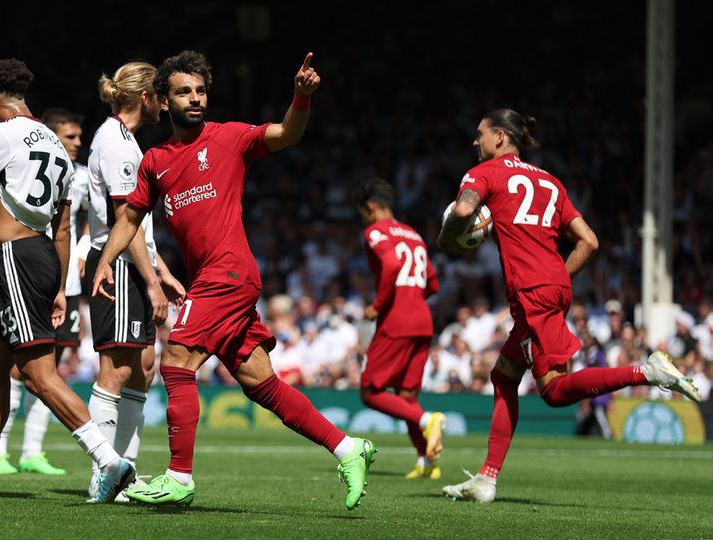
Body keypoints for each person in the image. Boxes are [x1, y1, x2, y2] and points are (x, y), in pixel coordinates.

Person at [91, 50, 376, 511]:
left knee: (177, 359)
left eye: (201, 90)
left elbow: (287, 134)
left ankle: (178, 477)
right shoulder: (154, 161)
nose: (196, 98)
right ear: (163, 101)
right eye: (184, 92)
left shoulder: (229, 137)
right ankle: (348, 448)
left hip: (229, 274)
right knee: (259, 381)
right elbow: (129, 218)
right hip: (211, 277)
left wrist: (300, 98)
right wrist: (106, 260)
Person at [436, 108, 701, 503]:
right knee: (505, 376)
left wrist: (447, 237)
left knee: (555, 392)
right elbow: (590, 242)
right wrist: (555, 276)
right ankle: (487, 478)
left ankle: (646, 371)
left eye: (480, 134)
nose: (475, 142)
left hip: (530, 292)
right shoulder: (550, 182)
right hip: (555, 286)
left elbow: (461, 212)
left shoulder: (485, 173)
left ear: (500, 138)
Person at [0, 58, 133, 502]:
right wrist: (58, 286)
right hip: (39, 257)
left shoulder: (3, 134)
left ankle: (108, 460)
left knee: (38, 375)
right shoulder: (57, 147)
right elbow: (62, 228)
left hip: (16, 258)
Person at [0, 108, 88, 477]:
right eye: (70, 137)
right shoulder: (20, 155)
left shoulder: (76, 174)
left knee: (44, 369)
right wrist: (1, 230)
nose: (77, 144)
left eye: (79, 137)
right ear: (51, 135)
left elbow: (77, 226)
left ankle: (33, 451)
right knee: (20, 371)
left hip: (60, 282)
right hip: (34, 269)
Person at [85, 61, 185, 499]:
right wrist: (151, 281)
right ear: (145, 97)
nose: (166, 104)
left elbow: (140, 223)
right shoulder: (117, 144)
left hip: (136, 260)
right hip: (119, 263)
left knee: (142, 369)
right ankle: (103, 475)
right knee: (117, 368)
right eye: (161, 95)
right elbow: (125, 222)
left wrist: (162, 269)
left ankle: (127, 471)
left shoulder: (127, 141)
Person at [351, 178, 446, 479]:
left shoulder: (375, 231)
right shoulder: (413, 234)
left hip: (397, 320)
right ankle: (427, 463)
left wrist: (378, 305)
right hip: (423, 321)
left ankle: (427, 419)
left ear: (370, 207)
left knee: (370, 391)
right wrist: (412, 298)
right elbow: (432, 283)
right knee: (407, 395)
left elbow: (391, 265)